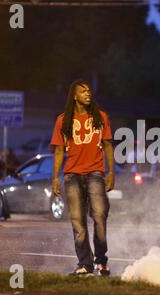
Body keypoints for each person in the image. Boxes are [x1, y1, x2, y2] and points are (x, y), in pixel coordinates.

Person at [51, 79, 114, 277]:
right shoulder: (63, 120)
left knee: (99, 217)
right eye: (83, 91)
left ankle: (101, 261)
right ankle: (85, 265)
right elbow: (59, 150)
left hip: (96, 173)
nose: (88, 93)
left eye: (89, 90)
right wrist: (55, 177)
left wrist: (111, 172)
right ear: (75, 96)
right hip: (72, 175)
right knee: (78, 222)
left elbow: (108, 145)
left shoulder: (101, 116)